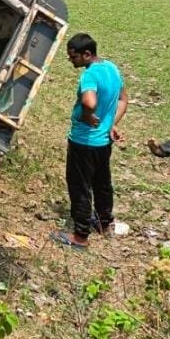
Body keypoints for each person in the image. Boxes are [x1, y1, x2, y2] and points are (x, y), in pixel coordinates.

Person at [53, 33, 128, 250]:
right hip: (103, 142)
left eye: (73, 57)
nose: (71, 61)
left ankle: (80, 236)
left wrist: (87, 114)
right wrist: (111, 123)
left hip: (83, 142)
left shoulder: (90, 75)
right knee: (102, 183)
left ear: (87, 54)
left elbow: (89, 101)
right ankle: (105, 224)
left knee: (80, 187)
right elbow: (124, 99)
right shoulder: (112, 68)